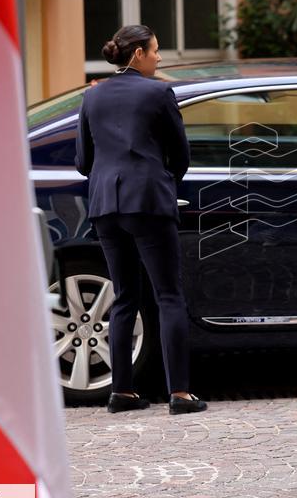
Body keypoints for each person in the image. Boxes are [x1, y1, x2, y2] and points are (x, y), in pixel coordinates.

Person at [75, 24, 207, 416]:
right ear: (137, 54)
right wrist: (162, 179)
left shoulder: (92, 95)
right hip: (147, 200)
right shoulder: (158, 92)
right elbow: (180, 155)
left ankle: (122, 392)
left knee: (124, 296)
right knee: (168, 295)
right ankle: (180, 394)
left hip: (105, 204)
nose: (159, 57)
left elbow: (83, 161)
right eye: (155, 50)